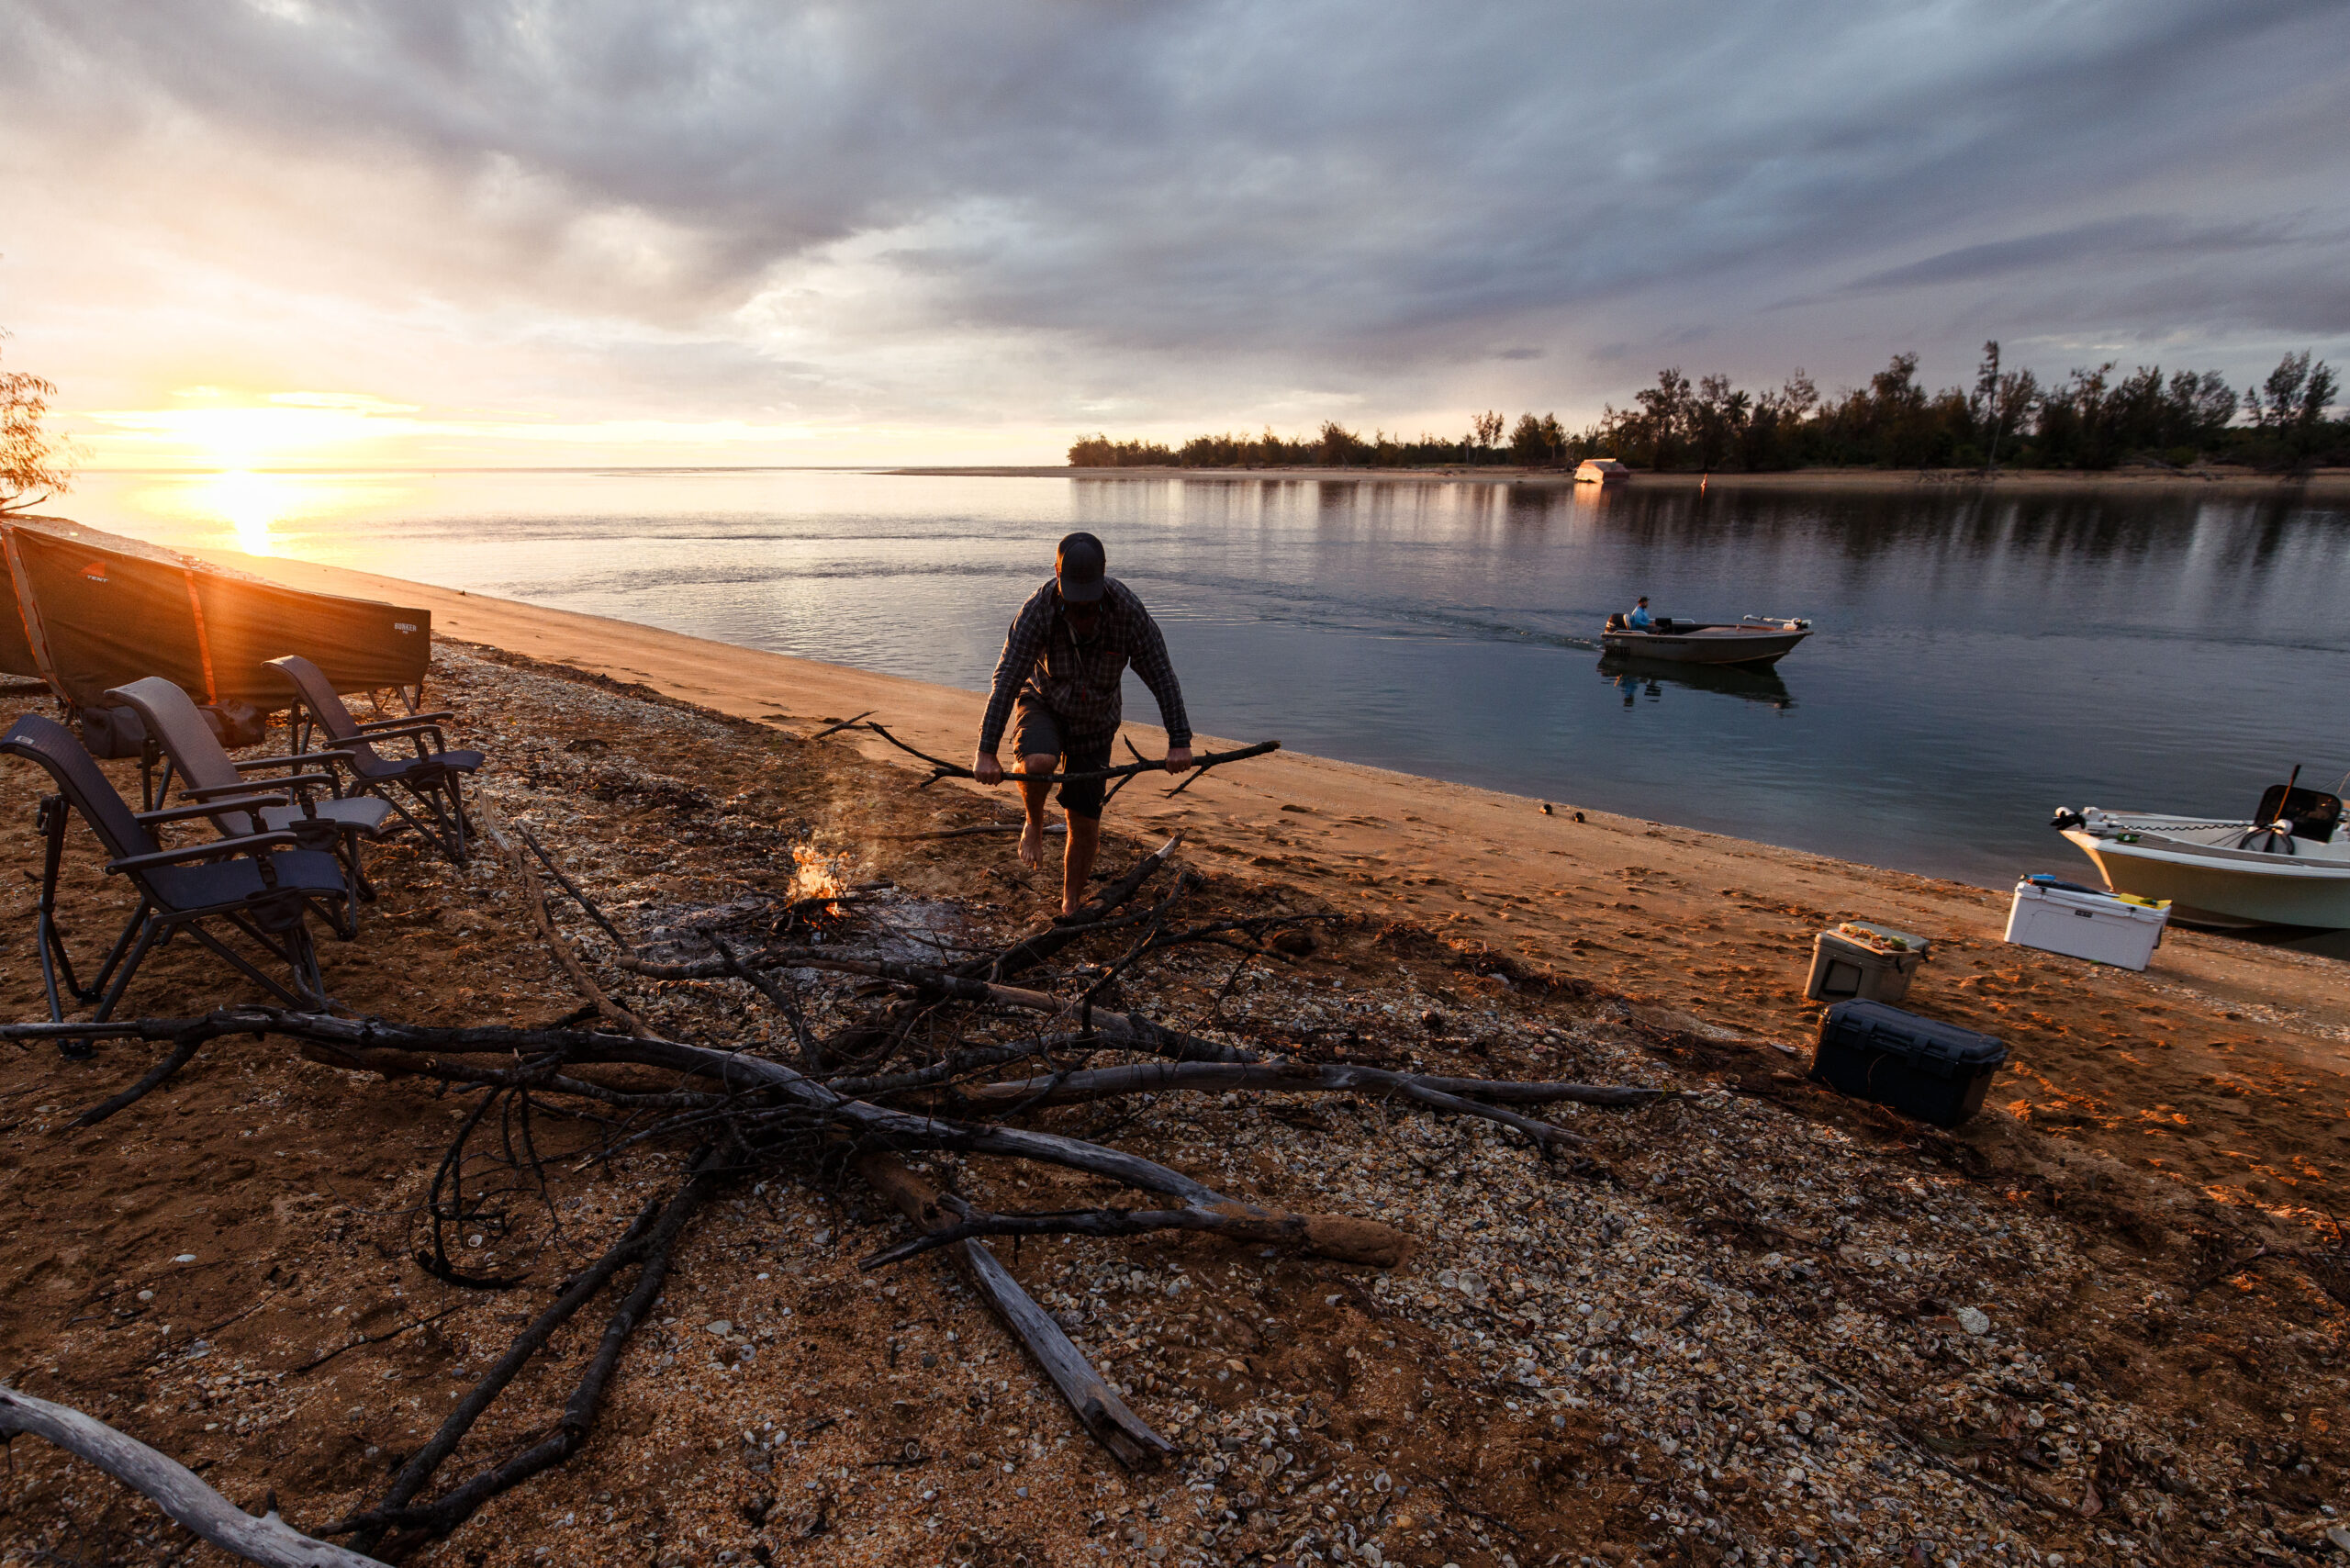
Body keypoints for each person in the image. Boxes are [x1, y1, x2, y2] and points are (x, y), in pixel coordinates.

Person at [972, 532, 1194, 914]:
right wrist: (986, 751)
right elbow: (1006, 679)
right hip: (1045, 702)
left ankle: (1070, 903)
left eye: (1089, 600)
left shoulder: (1128, 611)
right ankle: (1035, 822)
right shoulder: (1037, 611)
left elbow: (1161, 674)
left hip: (1097, 721)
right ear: (1057, 574)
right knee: (1039, 764)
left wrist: (1179, 739)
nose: (1083, 610)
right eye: (1075, 600)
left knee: (1085, 822)